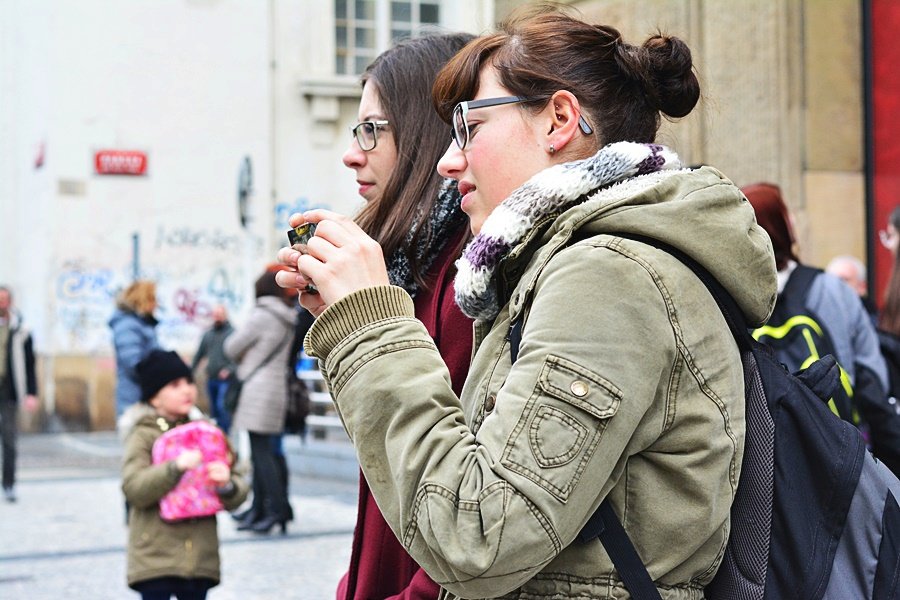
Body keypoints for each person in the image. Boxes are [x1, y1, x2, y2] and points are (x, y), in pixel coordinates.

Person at [276, 7, 777, 599]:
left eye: (469, 126)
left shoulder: (607, 274)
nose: (448, 159)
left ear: (558, 120)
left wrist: (373, 324)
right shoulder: (574, 263)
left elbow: (477, 538)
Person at [329, 33, 475, 600]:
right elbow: (384, 464)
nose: (353, 152)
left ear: (426, 133)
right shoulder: (414, 261)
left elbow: (452, 481)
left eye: (373, 129)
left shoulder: (466, 274)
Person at [743, 182, 900, 476]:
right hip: (846, 458)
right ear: (781, 226)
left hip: (776, 468)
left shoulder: (739, 301)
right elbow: (871, 377)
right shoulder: (831, 290)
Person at [122, 349, 249, 600]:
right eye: (175, 385)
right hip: (155, 559)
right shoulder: (143, 434)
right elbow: (134, 488)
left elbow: (239, 487)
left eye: (189, 382)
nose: (187, 389)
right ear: (154, 397)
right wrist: (175, 467)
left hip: (199, 558)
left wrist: (227, 484)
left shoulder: (208, 433)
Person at [224, 269, 296, 534]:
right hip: (275, 387)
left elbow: (231, 347)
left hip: (256, 388)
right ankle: (261, 510)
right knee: (266, 451)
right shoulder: (288, 315)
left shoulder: (263, 314)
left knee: (261, 454)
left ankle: (275, 511)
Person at [0, 285, 38, 503]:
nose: (1, 303)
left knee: (9, 439)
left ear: (10, 302)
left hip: (9, 390)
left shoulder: (21, 330)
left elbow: (30, 364)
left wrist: (31, 392)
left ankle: (9, 484)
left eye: (4, 299)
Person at [110, 280, 161, 422]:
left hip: (144, 399)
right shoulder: (128, 326)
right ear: (143, 300)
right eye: (153, 299)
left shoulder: (140, 324)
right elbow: (134, 364)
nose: (157, 304)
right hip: (135, 402)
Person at [191, 305, 235, 434]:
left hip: (226, 379)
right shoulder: (208, 334)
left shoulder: (232, 333)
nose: (217, 317)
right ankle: (217, 436)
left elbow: (238, 357)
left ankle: (225, 435)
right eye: (215, 314)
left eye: (219, 314)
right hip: (211, 377)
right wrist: (189, 372)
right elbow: (199, 354)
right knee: (214, 410)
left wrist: (229, 369)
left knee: (223, 408)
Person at [826, 254, 878, 320]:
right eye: (831, 281)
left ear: (862, 287)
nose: (836, 286)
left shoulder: (875, 323)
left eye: (843, 280)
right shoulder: (816, 317)